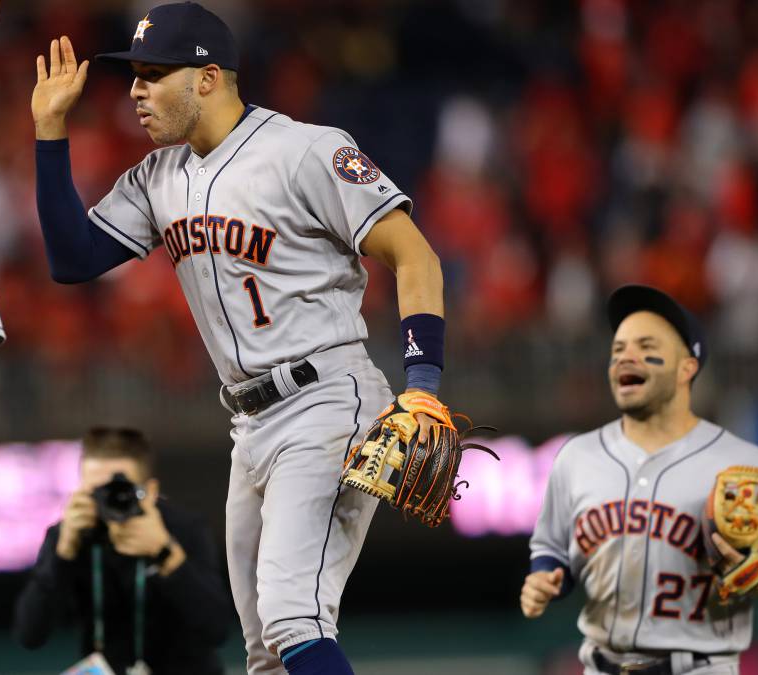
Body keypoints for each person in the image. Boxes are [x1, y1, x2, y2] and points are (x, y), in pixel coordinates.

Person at [30, 3, 454, 672]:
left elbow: (414, 254)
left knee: (293, 616)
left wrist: (423, 385)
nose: (135, 91)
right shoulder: (157, 176)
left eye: (152, 74)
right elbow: (72, 259)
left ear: (206, 78)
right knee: (267, 653)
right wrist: (49, 132)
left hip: (325, 397)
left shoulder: (305, 150)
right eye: (134, 76)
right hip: (250, 423)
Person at [521, 284, 758, 675]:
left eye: (646, 347)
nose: (627, 358)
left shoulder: (743, 462)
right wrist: (544, 577)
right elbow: (551, 549)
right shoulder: (578, 456)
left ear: (686, 367)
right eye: (618, 349)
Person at [12, 427, 233, 674]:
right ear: (80, 490)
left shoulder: (183, 529)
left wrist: (165, 554)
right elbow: (29, 634)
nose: (109, 499)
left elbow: (217, 629)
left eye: (120, 489)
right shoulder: (69, 536)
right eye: (97, 491)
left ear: (150, 491)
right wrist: (62, 555)